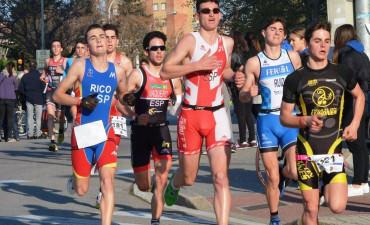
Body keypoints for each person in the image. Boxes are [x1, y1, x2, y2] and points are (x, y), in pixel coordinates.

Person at [160, 1, 245, 224]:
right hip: (191, 115)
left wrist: (234, 76)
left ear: (219, 15)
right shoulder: (190, 40)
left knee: (220, 178)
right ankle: (175, 183)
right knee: (189, 177)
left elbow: (223, 69)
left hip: (217, 114)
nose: (211, 15)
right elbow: (165, 70)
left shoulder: (227, 42)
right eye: (206, 11)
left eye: (215, 11)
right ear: (198, 15)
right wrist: (198, 65)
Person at [280, 20, 365, 224]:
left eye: (327, 41)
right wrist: (305, 120)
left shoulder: (342, 72)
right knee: (311, 208)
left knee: (337, 206)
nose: (323, 45)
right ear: (308, 44)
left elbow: (359, 96)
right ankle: (292, 177)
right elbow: (284, 117)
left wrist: (354, 125)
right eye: (318, 41)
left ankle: (324, 187)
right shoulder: (295, 79)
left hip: (333, 150)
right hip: (306, 151)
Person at [53, 24, 127, 225]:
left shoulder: (117, 71)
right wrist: (79, 101)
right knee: (81, 189)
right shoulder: (80, 67)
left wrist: (134, 113)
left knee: (107, 182)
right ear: (87, 45)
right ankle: (76, 178)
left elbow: (123, 98)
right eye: (93, 38)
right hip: (84, 132)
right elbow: (57, 94)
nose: (99, 40)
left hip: (106, 131)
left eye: (102, 36)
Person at [239, 16, 301, 225]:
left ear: (284, 35)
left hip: (290, 119)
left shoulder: (293, 57)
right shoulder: (254, 62)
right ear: (264, 33)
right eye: (272, 29)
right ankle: (274, 218)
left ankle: (285, 176)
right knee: (271, 177)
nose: (276, 33)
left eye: (280, 30)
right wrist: (249, 93)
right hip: (267, 120)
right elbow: (243, 95)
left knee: (294, 171)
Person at [123, 31, 182, 225]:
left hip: (162, 131)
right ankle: (155, 188)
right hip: (140, 133)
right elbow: (119, 103)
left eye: (162, 48)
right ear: (146, 51)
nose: (159, 52)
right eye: (154, 48)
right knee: (143, 185)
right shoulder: (137, 74)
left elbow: (179, 104)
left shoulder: (172, 76)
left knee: (162, 176)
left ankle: (155, 220)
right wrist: (135, 116)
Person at [332, 24, 370, 197]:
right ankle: (362, 182)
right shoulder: (361, 53)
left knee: (354, 142)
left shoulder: (345, 53)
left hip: (352, 100)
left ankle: (356, 184)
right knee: (361, 144)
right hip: (365, 98)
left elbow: (346, 78)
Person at [229, 31, 257, 151]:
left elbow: (230, 70)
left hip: (238, 86)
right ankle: (252, 138)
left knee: (240, 114)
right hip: (248, 83)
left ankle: (243, 139)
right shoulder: (248, 53)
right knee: (248, 113)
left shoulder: (233, 55)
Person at [40, 39, 67, 152]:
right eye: (54, 46)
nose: (56, 48)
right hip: (50, 91)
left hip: (61, 92)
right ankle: (52, 142)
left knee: (60, 118)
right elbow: (45, 71)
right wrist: (42, 76)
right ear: (51, 49)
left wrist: (62, 72)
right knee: (50, 116)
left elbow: (71, 74)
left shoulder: (65, 61)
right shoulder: (48, 61)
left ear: (61, 49)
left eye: (58, 46)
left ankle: (61, 131)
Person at [63, 38, 88, 125]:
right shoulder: (70, 61)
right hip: (74, 93)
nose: (80, 50)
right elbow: (65, 76)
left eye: (82, 48)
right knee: (75, 116)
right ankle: (75, 136)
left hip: (87, 93)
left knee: (85, 117)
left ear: (86, 49)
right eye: (78, 48)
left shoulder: (90, 61)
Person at [18, 60, 45, 139]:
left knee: (29, 117)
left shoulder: (25, 76)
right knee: (38, 117)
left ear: (29, 67)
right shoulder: (40, 76)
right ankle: (38, 133)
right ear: (36, 66)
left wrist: (25, 94)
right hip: (38, 98)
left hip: (28, 98)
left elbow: (20, 88)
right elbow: (43, 88)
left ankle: (30, 134)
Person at [244, 31, 262, 119]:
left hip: (253, 86)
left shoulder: (248, 55)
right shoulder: (261, 53)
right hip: (260, 87)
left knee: (254, 112)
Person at [0, 62, 18, 142]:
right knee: (9, 118)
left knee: (1, 118)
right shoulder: (13, 77)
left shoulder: (1, 75)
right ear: (13, 68)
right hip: (11, 99)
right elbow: (16, 87)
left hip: (1, 98)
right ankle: (9, 137)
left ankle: (1, 135)